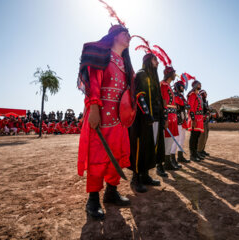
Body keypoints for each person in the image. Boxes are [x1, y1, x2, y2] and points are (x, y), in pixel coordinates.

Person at [77, 5, 135, 220]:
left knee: (116, 155)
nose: (129, 37)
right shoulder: (101, 55)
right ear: (114, 36)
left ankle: (111, 192)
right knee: (97, 157)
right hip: (101, 115)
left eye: (129, 34)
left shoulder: (126, 64)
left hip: (119, 120)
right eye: (125, 33)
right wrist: (93, 108)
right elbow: (93, 83)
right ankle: (93, 199)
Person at [129, 37, 165, 192]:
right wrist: (147, 113)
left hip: (155, 118)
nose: (157, 63)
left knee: (151, 147)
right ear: (149, 60)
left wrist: (160, 116)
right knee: (141, 147)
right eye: (155, 60)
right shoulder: (142, 74)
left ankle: (145, 175)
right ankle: (136, 178)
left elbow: (158, 99)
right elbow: (139, 95)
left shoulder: (154, 77)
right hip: (143, 119)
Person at [154, 45, 180, 170]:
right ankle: (161, 164)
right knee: (164, 140)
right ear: (170, 74)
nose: (175, 74)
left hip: (173, 115)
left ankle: (168, 162)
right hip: (167, 116)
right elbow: (164, 102)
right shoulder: (163, 85)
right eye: (174, 72)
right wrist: (165, 118)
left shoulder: (169, 86)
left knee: (170, 139)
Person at [170, 76, 191, 164]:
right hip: (176, 120)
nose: (183, 87)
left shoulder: (181, 96)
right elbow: (181, 105)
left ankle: (180, 156)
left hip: (182, 120)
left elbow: (186, 105)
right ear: (178, 86)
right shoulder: (174, 95)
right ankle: (172, 158)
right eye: (181, 86)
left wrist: (183, 105)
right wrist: (183, 105)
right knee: (176, 139)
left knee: (182, 139)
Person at [187, 80, 204, 162]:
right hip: (195, 118)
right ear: (195, 85)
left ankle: (196, 152)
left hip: (200, 118)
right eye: (198, 84)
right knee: (193, 136)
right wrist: (193, 119)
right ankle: (192, 155)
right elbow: (190, 108)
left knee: (197, 136)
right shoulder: (192, 95)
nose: (200, 85)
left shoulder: (198, 95)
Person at [197, 89, 210, 157]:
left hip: (206, 121)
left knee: (205, 136)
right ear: (202, 94)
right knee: (202, 137)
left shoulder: (205, 102)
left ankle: (202, 150)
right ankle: (199, 151)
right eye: (205, 93)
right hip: (202, 121)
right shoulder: (200, 101)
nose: (206, 94)